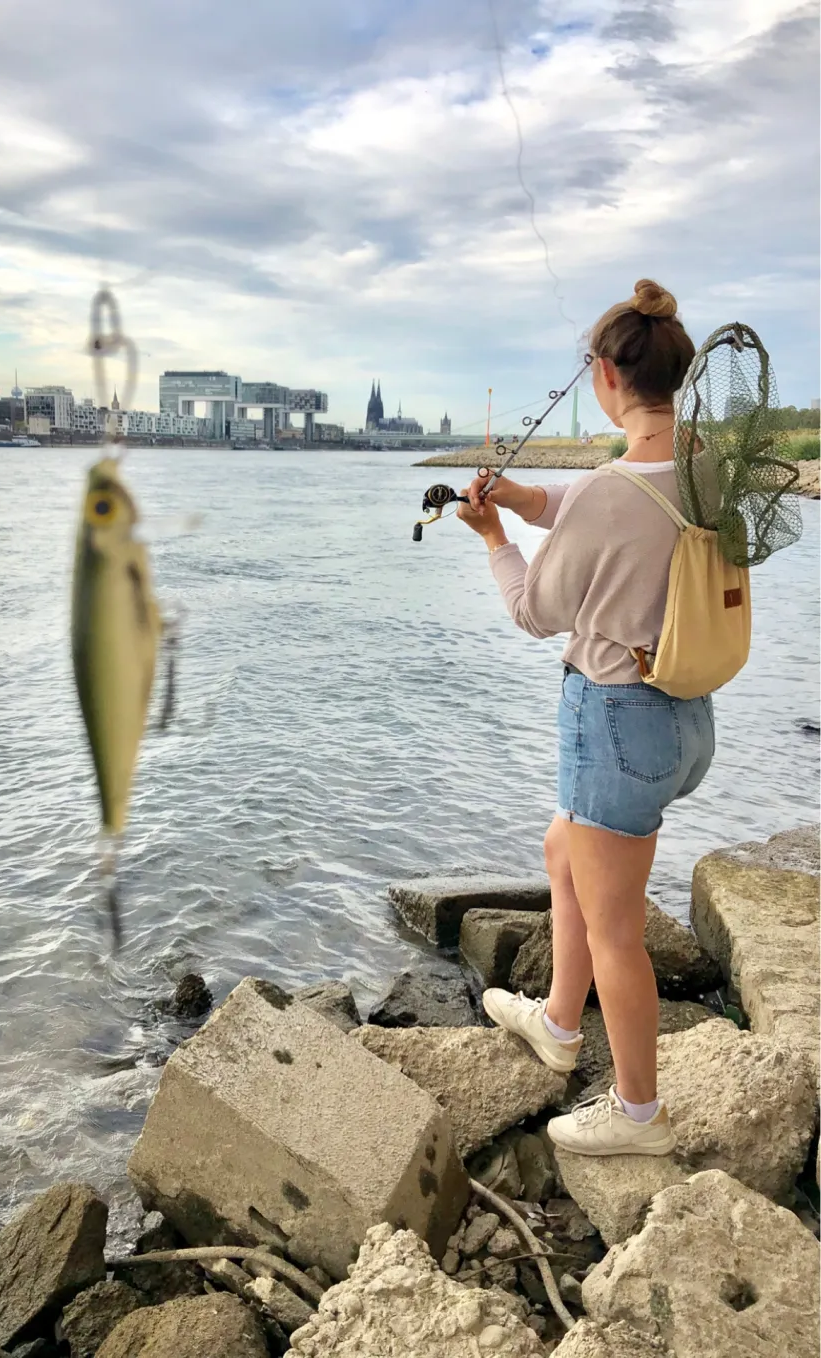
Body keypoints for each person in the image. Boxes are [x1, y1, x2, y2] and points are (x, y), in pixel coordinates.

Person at [457, 278, 711, 1157]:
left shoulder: (609, 491)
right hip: (684, 718)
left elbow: (536, 610)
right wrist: (530, 502)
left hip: (614, 723)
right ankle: (560, 1022)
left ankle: (639, 1113)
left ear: (605, 375)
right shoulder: (707, 465)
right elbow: (617, 506)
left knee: (619, 932)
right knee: (561, 849)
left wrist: (495, 540)